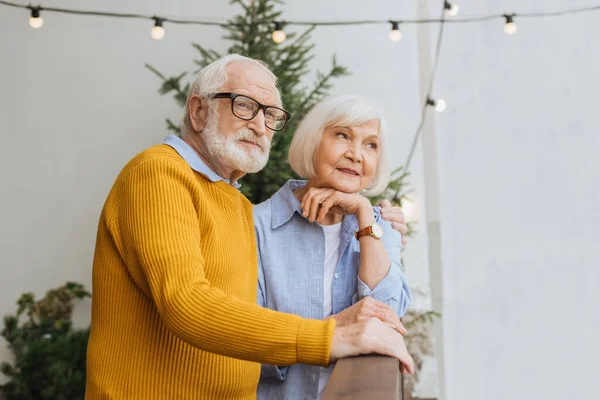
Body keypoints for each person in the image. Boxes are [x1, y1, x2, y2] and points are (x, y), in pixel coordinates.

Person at [85, 54, 413, 400]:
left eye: (270, 115)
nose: (259, 126)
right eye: (244, 106)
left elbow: (245, 319)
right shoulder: (159, 173)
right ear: (199, 111)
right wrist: (329, 335)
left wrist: (371, 222)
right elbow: (186, 303)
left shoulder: (236, 204)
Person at [255, 94, 411, 399]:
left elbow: (387, 318)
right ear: (312, 142)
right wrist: (337, 326)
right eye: (343, 136)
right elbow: (246, 346)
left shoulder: (381, 225)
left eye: (371, 145)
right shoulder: (257, 226)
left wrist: (364, 214)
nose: (356, 155)